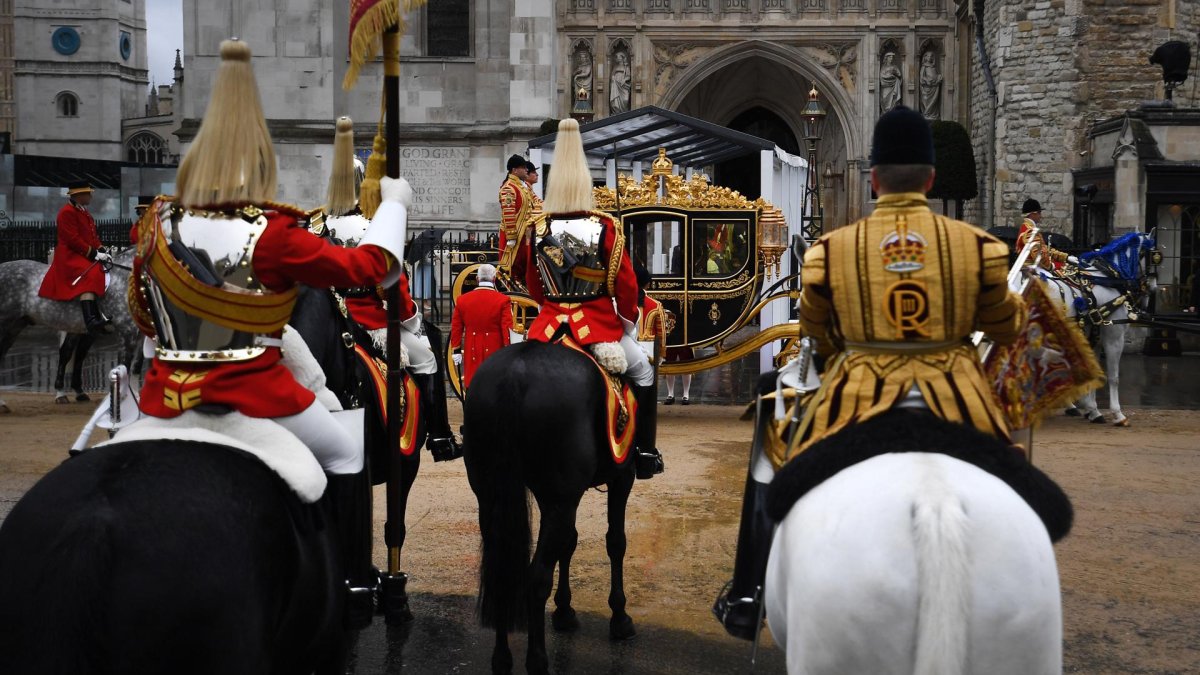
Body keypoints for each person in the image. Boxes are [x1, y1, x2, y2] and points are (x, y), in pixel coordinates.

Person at [713, 105, 1028, 640]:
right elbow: (1007, 327)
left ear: (875, 179)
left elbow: (816, 332)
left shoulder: (832, 252)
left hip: (855, 400)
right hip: (960, 402)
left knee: (773, 407)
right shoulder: (981, 249)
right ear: (931, 179)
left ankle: (749, 593)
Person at [127, 40, 411, 624]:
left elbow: (143, 315)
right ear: (259, 160)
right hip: (252, 394)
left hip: (165, 396)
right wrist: (396, 208)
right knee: (344, 451)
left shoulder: (155, 226)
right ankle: (343, 584)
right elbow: (369, 269)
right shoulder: (275, 234)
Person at [520, 118, 663, 479]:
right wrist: (626, 323)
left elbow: (531, 281)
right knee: (644, 372)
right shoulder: (605, 226)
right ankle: (645, 451)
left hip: (547, 327)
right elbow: (626, 287)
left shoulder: (536, 228)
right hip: (597, 328)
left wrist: (550, 304)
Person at [321, 115, 461, 461]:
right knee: (427, 359)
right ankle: (440, 438)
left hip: (327, 327)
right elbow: (393, 289)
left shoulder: (313, 228)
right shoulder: (372, 228)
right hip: (371, 325)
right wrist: (411, 320)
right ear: (358, 186)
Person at [38, 181, 113, 333]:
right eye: (88, 193)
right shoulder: (67, 212)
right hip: (70, 254)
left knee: (103, 270)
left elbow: (93, 236)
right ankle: (90, 320)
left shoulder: (83, 211)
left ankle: (98, 313)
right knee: (90, 274)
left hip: (81, 252)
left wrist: (102, 249)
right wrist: (94, 254)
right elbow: (73, 240)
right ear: (79, 195)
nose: (91, 195)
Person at [450, 264, 512, 391]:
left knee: (473, 382)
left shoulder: (462, 300)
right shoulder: (503, 300)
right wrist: (509, 350)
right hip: (496, 348)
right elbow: (507, 329)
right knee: (494, 384)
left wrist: (456, 350)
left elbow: (456, 327)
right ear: (494, 279)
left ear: (477, 279)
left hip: (471, 347)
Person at [497, 154, 534, 284]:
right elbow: (509, 214)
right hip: (514, 237)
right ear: (515, 170)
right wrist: (511, 237)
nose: (526, 170)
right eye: (523, 168)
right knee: (514, 268)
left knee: (524, 266)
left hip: (525, 234)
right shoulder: (509, 188)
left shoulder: (522, 187)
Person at [1017, 198, 1071, 270]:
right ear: (1032, 214)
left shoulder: (1027, 227)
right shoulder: (1030, 230)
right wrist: (1053, 266)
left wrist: (1066, 257)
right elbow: (1038, 256)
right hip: (1031, 269)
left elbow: (1044, 250)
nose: (1040, 216)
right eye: (1039, 213)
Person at [919, 50, 942, 120]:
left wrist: (939, 77)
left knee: (934, 102)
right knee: (926, 101)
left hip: (934, 87)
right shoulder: (924, 67)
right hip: (926, 88)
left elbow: (936, 75)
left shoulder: (933, 67)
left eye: (931, 56)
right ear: (925, 57)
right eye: (928, 56)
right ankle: (926, 114)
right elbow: (921, 77)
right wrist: (927, 81)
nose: (930, 57)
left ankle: (932, 115)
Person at [610, 50, 631, 114]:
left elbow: (628, 76)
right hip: (615, 84)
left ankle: (624, 113)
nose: (618, 58)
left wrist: (624, 80)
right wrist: (613, 78)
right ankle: (616, 112)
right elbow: (612, 74)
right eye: (617, 57)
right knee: (615, 103)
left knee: (625, 100)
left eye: (619, 57)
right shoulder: (615, 67)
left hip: (623, 85)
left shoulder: (626, 67)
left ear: (622, 58)